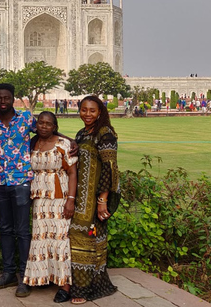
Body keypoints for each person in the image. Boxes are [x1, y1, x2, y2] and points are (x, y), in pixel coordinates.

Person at [0, 83, 36, 297]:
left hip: (21, 181)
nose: (3, 102)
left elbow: (46, 130)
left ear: (13, 98)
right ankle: (8, 273)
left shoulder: (26, 119)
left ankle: (25, 276)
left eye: (6, 98)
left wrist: (69, 142)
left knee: (22, 231)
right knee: (5, 229)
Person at [68, 95, 120, 304]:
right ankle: (79, 284)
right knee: (78, 240)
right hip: (81, 198)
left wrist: (102, 201)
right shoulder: (82, 134)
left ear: (100, 112)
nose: (87, 114)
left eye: (92, 111)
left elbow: (109, 169)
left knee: (90, 240)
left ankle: (85, 288)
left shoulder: (105, 134)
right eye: (84, 110)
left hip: (94, 199)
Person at [23, 112, 78, 302]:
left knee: (60, 240)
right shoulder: (32, 144)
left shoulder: (63, 145)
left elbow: (72, 172)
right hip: (39, 198)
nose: (44, 126)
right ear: (36, 124)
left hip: (59, 198)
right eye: (41, 123)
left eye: (48, 124)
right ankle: (44, 277)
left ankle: (65, 285)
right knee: (42, 238)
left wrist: (70, 199)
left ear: (54, 127)